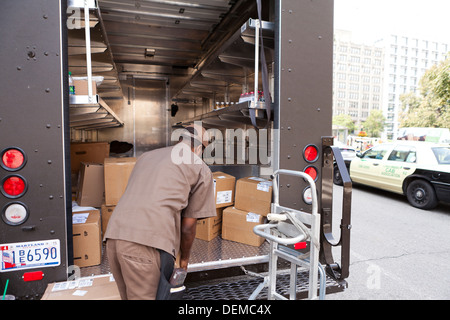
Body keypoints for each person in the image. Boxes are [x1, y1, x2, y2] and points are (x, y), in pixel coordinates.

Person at [104, 124, 216, 300]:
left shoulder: (146, 156)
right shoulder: (200, 168)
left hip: (114, 236)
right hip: (145, 246)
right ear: (200, 147)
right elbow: (188, 226)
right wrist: (184, 260)